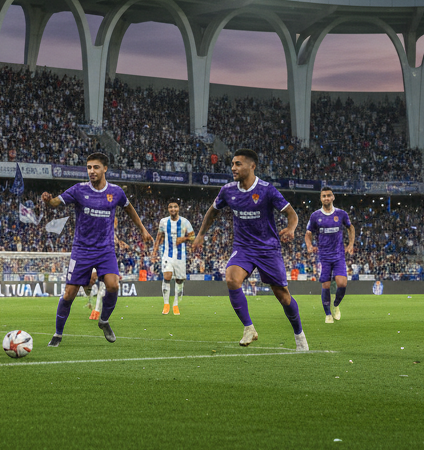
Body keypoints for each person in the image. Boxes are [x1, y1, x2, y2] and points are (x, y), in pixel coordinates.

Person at [189, 149, 309, 351]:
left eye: (238, 164)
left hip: (267, 249)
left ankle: (299, 334)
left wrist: (291, 228)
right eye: (232, 164)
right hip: (243, 247)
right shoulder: (227, 190)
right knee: (231, 278)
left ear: (252, 166)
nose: (233, 168)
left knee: (283, 296)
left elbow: (291, 213)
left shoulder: (266, 190)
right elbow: (212, 212)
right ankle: (249, 328)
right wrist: (201, 234)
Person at [38, 152, 152, 346]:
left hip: (105, 249)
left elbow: (129, 208)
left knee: (113, 285)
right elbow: (57, 202)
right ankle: (57, 334)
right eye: (89, 167)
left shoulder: (116, 192)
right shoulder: (79, 189)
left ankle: (104, 320)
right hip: (81, 250)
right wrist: (49, 200)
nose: (91, 171)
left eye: (96, 167)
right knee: (69, 294)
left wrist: (142, 229)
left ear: (105, 169)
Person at [304, 188, 354, 324]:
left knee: (342, 284)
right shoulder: (315, 216)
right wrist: (309, 245)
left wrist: (350, 245)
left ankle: (336, 305)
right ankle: (328, 314)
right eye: (324, 196)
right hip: (324, 257)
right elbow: (308, 233)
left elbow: (351, 227)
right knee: (325, 285)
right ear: (321, 198)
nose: (326, 198)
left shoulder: (341, 214)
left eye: (329, 196)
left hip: (338, 256)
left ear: (333, 197)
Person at [152, 199, 194, 315]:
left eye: (175, 207)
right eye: (170, 207)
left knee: (179, 280)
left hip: (180, 255)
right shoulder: (164, 222)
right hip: (167, 254)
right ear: (168, 209)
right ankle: (166, 304)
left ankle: (175, 304)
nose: (173, 209)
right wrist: (154, 252)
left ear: (178, 208)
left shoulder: (185, 222)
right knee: (167, 276)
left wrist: (184, 239)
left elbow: (193, 236)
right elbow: (159, 236)